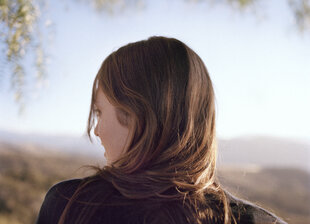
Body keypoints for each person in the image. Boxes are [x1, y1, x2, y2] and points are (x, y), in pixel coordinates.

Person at [36, 36, 287, 224]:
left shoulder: (71, 205)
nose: (96, 131)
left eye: (100, 113)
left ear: (137, 113)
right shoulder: (258, 221)